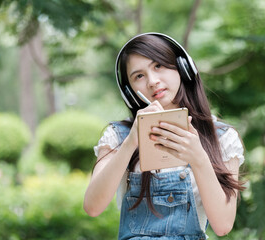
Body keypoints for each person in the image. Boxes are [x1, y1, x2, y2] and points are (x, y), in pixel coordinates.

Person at [83, 32, 245, 240]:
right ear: (130, 91)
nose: (152, 81)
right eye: (138, 76)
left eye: (158, 65)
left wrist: (198, 157)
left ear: (183, 68)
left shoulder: (222, 138)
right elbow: (93, 207)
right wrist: (132, 141)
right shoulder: (118, 136)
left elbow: (222, 226)